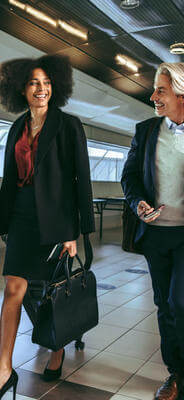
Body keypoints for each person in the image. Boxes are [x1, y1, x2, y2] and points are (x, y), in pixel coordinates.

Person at [0, 55, 95, 399]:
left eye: (46, 83)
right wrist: (5, 221)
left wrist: (74, 232)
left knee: (50, 292)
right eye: (33, 83)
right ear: (21, 89)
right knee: (13, 290)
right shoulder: (17, 127)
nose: (41, 89)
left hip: (55, 222)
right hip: (22, 218)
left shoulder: (69, 125)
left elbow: (81, 181)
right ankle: (3, 370)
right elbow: (11, 178)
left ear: (54, 86)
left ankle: (57, 348)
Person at [121, 62, 184, 400]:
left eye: (161, 90)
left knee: (180, 301)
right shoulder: (146, 130)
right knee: (164, 304)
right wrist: (138, 203)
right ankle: (175, 373)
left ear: (181, 93)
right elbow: (129, 177)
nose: (153, 96)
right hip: (157, 235)